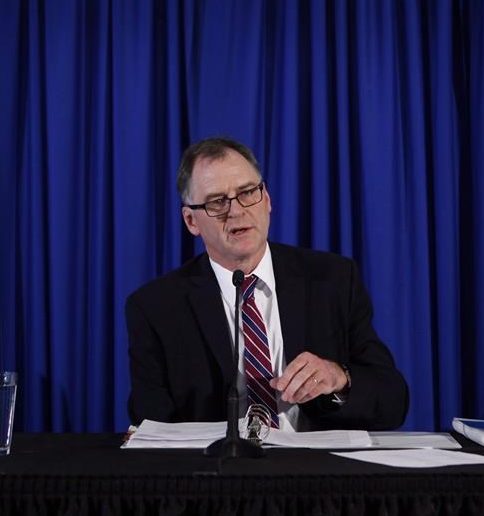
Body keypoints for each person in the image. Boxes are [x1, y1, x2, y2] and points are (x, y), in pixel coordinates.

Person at [126, 137, 409, 431]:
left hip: (317, 469)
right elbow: (151, 420)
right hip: (217, 471)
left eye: (248, 192)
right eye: (217, 201)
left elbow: (391, 400)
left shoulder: (333, 280)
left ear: (268, 200)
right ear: (191, 221)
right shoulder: (155, 307)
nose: (236, 211)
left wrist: (340, 378)